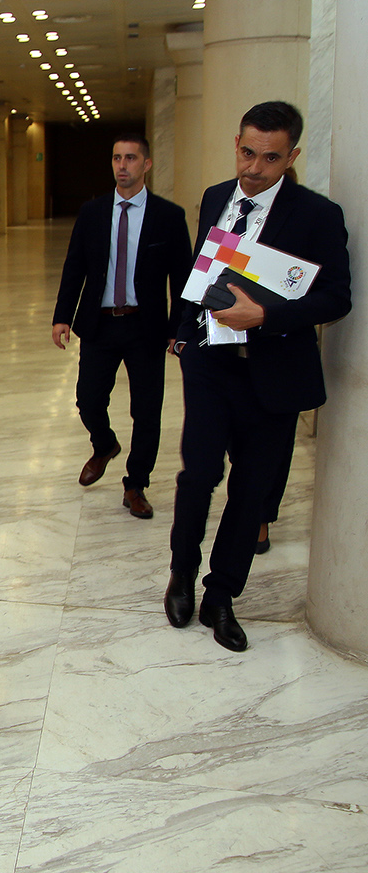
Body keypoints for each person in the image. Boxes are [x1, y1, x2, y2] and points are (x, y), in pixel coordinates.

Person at [166, 101, 351, 652]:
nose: (254, 168)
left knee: (251, 491)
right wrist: (182, 328)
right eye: (247, 152)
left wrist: (264, 316)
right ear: (237, 144)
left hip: (272, 374)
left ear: (291, 156)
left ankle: (222, 595)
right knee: (197, 476)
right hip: (210, 364)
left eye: (270, 158)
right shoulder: (216, 197)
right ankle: (181, 574)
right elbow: (203, 263)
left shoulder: (317, 215)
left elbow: (336, 298)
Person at [51, 134, 192, 518]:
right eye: (116, 158)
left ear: (146, 164)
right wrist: (62, 314)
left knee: (147, 411)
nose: (122, 165)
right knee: (88, 399)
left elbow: (183, 278)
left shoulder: (168, 216)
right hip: (100, 323)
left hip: (145, 326)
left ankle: (136, 485)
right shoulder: (93, 212)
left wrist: (180, 326)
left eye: (130, 158)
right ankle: (104, 444)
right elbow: (74, 265)